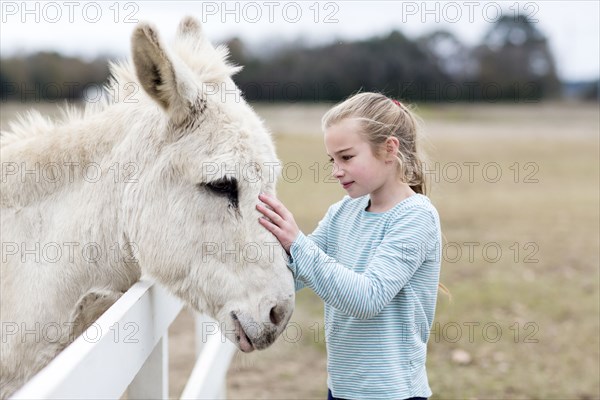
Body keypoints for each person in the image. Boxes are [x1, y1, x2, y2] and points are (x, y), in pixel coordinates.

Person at [256, 92, 442, 400]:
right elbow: (296, 273)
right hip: (341, 389)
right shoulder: (343, 212)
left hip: (393, 393)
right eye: (333, 159)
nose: (336, 170)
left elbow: (366, 298)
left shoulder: (416, 216)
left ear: (388, 149)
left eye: (346, 157)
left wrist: (298, 243)